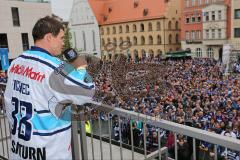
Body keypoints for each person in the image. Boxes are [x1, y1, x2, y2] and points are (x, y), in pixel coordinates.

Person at [4, 16, 95, 160]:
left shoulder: (16, 63)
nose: (63, 42)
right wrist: (80, 66)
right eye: (61, 37)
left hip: (19, 150)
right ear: (48, 37)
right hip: (49, 152)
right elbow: (88, 90)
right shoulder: (53, 67)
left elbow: (8, 105)